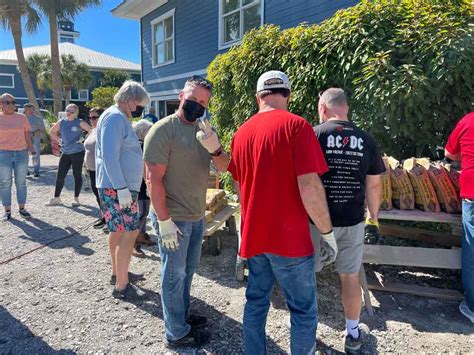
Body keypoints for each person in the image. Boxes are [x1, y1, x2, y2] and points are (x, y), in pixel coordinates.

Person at [227, 71, 334, 355]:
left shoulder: (241, 133)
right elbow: (310, 186)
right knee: (302, 310)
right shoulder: (297, 126)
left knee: (256, 301)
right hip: (290, 242)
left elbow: (239, 186)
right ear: (287, 94)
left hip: (255, 237)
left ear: (258, 97)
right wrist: (327, 232)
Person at [144, 75, 229, 348]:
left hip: (196, 215)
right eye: (193, 99)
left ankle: (181, 316)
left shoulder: (204, 130)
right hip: (173, 218)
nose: (197, 105)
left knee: (188, 271)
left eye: (203, 102)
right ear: (182, 96)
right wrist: (164, 221)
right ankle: (175, 333)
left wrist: (214, 147)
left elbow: (225, 167)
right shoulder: (163, 130)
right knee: (173, 274)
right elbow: (152, 180)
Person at [313, 88, 385, 354]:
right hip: (353, 221)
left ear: (323, 108)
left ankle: (305, 330)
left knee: (307, 275)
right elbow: (374, 186)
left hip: (316, 222)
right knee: (350, 277)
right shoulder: (366, 139)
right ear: (346, 108)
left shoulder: (314, 135)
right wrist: (373, 219)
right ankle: (353, 333)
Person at [95, 80, 149, 300]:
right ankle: (121, 285)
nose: (138, 108)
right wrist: (122, 188)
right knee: (129, 233)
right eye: (138, 103)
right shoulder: (116, 117)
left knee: (117, 231)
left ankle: (118, 273)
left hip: (117, 187)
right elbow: (109, 156)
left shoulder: (114, 116)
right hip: (118, 188)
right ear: (129, 99)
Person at [445, 112, 474, 324]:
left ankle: (472, 306)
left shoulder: (468, 120)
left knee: (472, 249)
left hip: (472, 192)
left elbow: (450, 153)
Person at [46, 104, 91, 206]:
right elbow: (52, 131)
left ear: (76, 113)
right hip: (65, 152)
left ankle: (76, 199)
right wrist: (59, 140)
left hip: (77, 152)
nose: (69, 113)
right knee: (60, 175)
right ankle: (56, 198)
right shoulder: (62, 122)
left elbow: (92, 131)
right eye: (67, 111)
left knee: (77, 175)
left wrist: (83, 138)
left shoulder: (79, 122)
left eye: (71, 111)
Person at [0, 93, 35, 221]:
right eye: (7, 102)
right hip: (3, 154)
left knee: (21, 182)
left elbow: (27, 136)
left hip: (21, 153)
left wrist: (32, 150)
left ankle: (22, 208)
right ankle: (7, 211)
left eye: (13, 102)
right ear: (1, 104)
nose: (11, 105)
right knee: (5, 183)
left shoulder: (21, 118)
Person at [131, 118, 156, 256]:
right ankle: (134, 242)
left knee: (144, 212)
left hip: (143, 183)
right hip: (138, 184)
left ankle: (142, 235)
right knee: (139, 213)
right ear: (142, 132)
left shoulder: (143, 144)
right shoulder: (137, 145)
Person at [83, 107, 105, 229]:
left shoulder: (104, 130)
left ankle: (109, 219)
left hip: (101, 169)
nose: (91, 120)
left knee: (104, 195)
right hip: (91, 168)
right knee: (97, 195)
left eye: (94, 117)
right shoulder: (93, 130)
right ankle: (104, 217)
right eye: (90, 117)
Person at [24, 103, 46, 177]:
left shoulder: (38, 118)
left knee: (36, 155)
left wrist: (33, 133)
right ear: (25, 110)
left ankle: (36, 170)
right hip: (23, 138)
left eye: (32, 109)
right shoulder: (21, 118)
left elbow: (43, 129)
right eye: (29, 109)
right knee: (24, 155)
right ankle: (25, 170)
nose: (31, 111)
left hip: (35, 138)